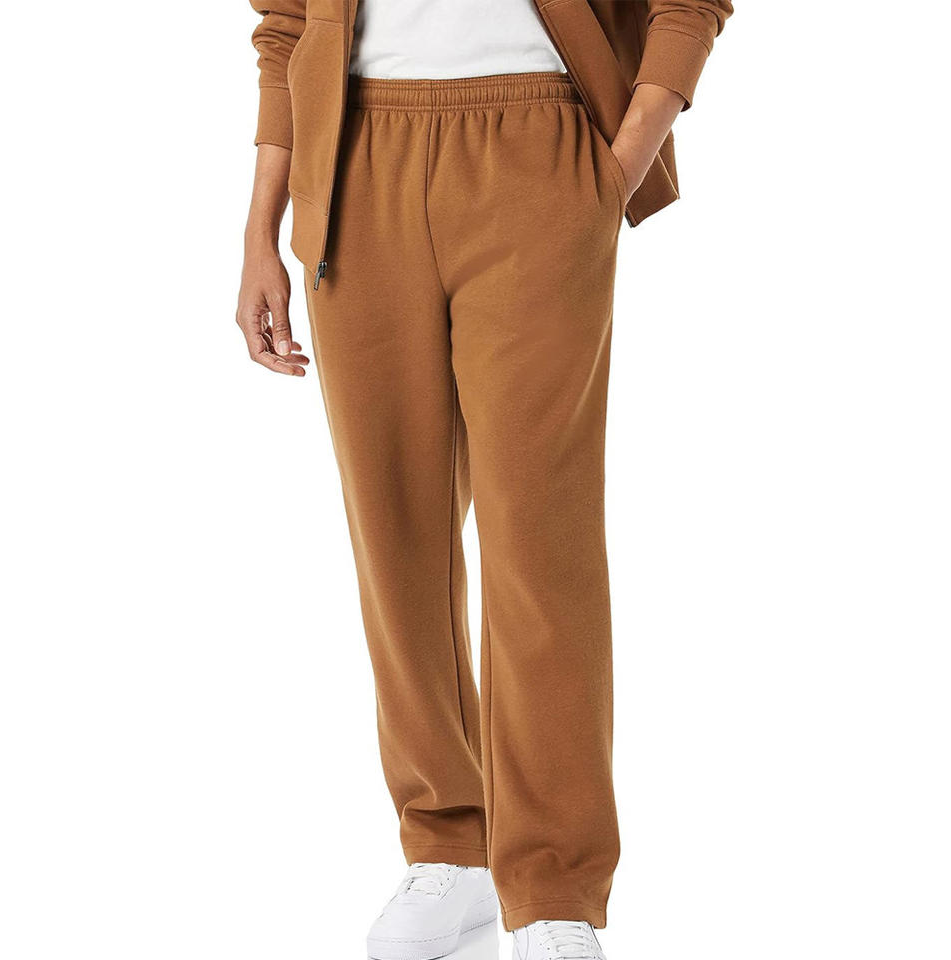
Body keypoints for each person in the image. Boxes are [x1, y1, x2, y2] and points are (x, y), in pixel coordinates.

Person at [236, 1, 732, 957]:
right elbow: (286, 24)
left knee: (539, 541)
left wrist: (620, 165)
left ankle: (553, 888)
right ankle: (448, 846)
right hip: (353, 161)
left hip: (536, 144)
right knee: (395, 539)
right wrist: (262, 224)